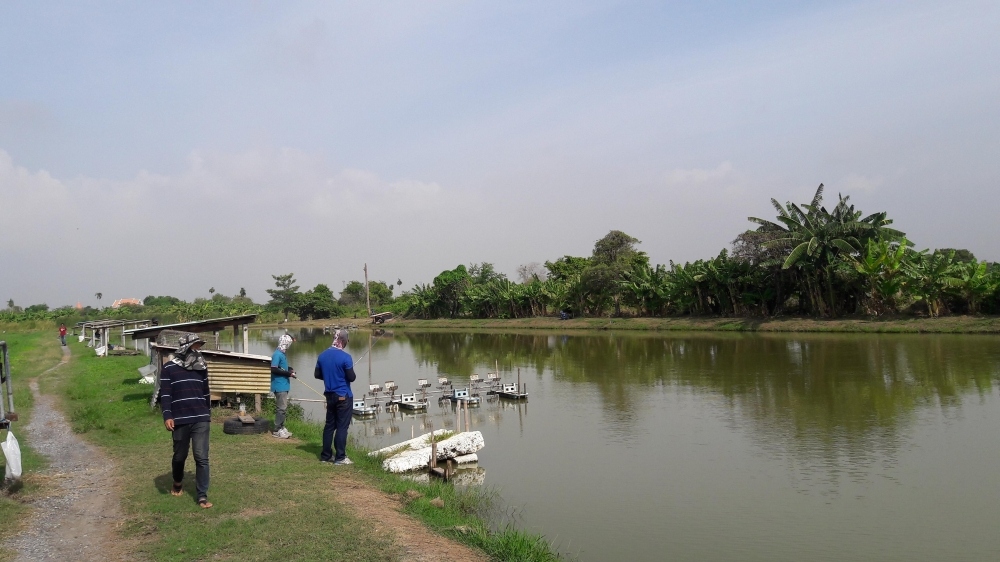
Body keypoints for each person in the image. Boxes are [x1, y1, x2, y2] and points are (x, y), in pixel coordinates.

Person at [161, 333, 213, 508]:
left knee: (201, 457)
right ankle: (177, 481)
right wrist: (167, 415)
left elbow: (206, 392)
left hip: (201, 417)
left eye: (199, 346)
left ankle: (202, 496)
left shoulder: (201, 367)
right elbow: (166, 394)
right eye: (195, 346)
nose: (198, 350)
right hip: (180, 418)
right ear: (185, 348)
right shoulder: (169, 368)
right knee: (179, 456)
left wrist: (208, 413)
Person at [315, 329, 356, 465]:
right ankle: (340, 458)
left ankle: (326, 456)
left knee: (329, 426)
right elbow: (352, 377)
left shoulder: (322, 355)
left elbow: (317, 375)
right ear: (343, 341)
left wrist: (330, 375)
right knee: (342, 427)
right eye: (347, 341)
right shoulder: (346, 357)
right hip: (343, 396)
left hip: (329, 395)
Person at [270, 334, 296, 439]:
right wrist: (288, 374)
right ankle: (277, 430)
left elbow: (282, 367)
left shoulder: (282, 354)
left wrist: (290, 369)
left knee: (283, 408)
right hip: (279, 385)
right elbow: (274, 369)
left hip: (284, 385)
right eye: (289, 344)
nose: (289, 346)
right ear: (285, 343)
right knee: (281, 408)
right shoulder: (277, 354)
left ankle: (281, 427)